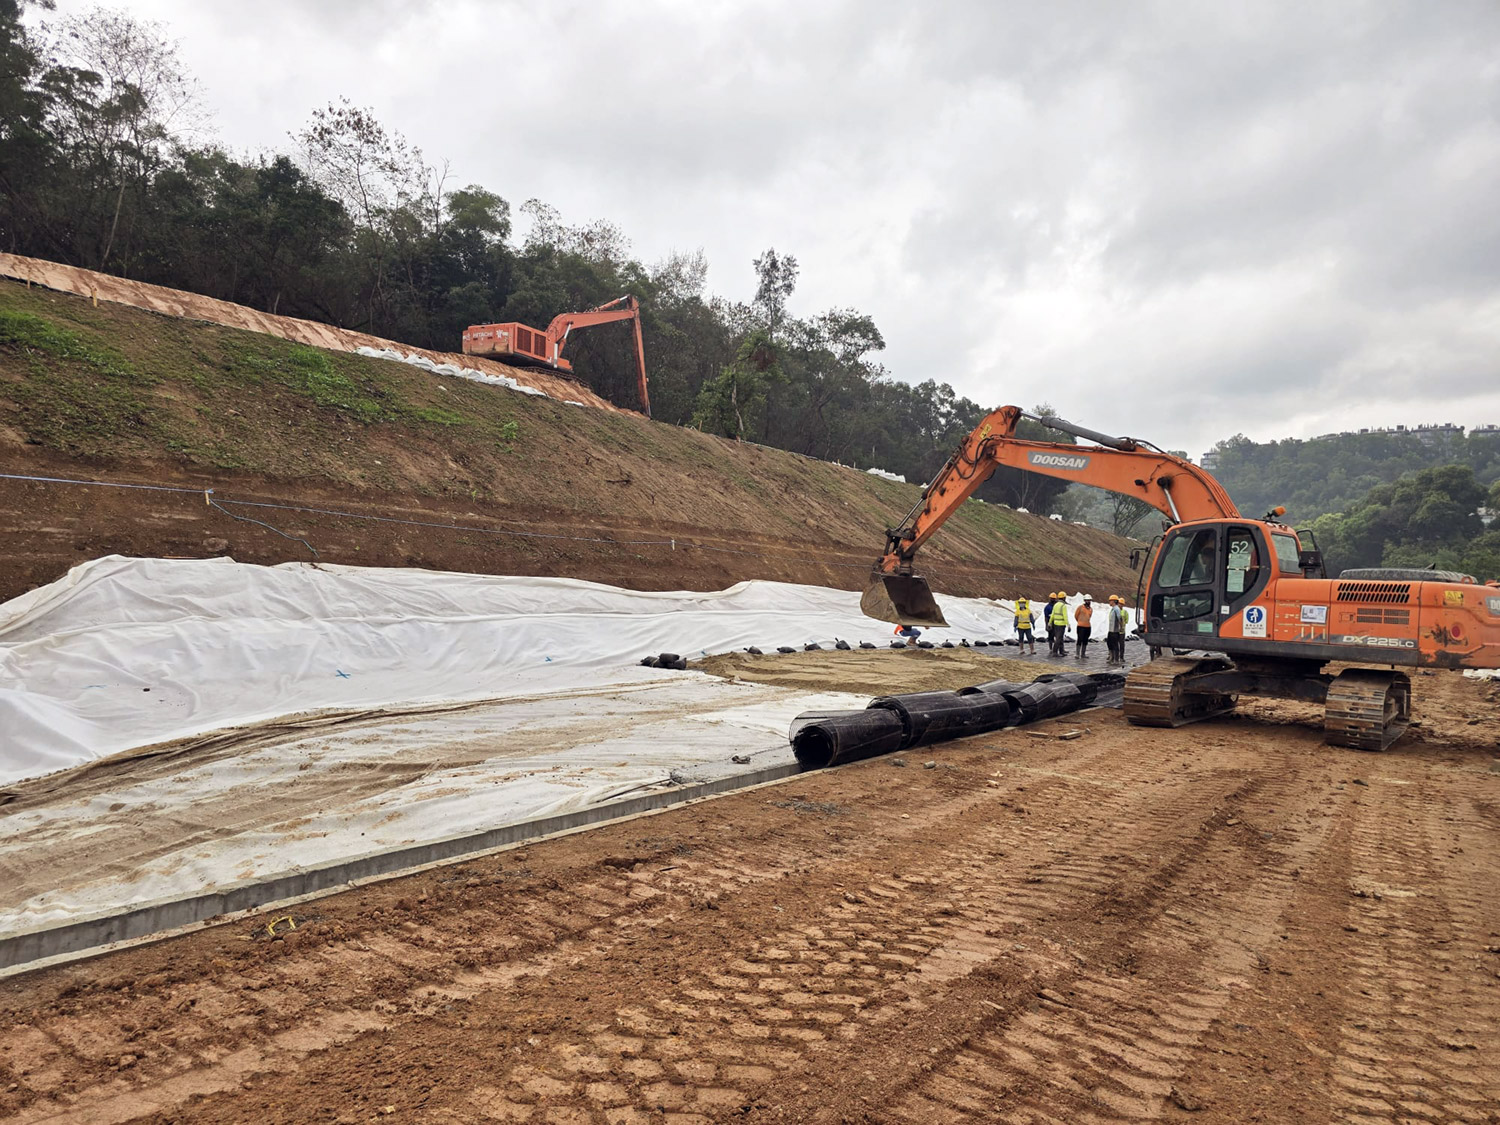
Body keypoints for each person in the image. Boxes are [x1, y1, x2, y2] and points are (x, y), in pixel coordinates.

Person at [1048, 592, 1070, 656]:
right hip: (1061, 624)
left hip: (1055, 624)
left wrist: (1049, 623)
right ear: (1063, 598)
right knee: (1058, 639)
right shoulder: (1063, 606)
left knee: (1060, 638)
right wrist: (1068, 625)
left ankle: (1061, 651)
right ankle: (1055, 652)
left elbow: (1052, 615)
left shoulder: (1056, 605)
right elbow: (1065, 616)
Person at [1105, 595, 1125, 661]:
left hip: (1115, 631)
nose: (1109, 602)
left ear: (1113, 601)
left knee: (1115, 645)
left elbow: (1119, 618)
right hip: (1111, 630)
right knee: (1109, 644)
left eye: (1110, 601)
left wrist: (1121, 626)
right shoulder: (1113, 609)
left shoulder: (1116, 609)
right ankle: (1112, 657)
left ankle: (1115, 659)